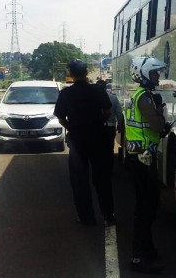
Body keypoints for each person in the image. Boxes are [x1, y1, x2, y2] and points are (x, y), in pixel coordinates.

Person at [53, 59, 115, 226]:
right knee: (102, 178)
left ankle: (86, 217)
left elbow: (60, 118)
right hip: (98, 138)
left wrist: (72, 128)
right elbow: (108, 112)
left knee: (80, 181)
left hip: (78, 141)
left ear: (71, 75)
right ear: (86, 73)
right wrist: (97, 123)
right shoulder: (98, 90)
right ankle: (108, 215)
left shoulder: (65, 94)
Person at [125, 56, 171, 274]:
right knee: (145, 209)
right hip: (142, 159)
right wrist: (161, 112)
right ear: (144, 74)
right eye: (154, 73)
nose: (157, 76)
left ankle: (148, 249)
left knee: (150, 206)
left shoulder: (142, 95)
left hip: (142, 157)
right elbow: (156, 124)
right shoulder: (144, 97)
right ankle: (137, 257)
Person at [96, 79, 124, 174]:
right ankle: (109, 168)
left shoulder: (93, 99)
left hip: (98, 128)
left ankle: (99, 168)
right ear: (105, 87)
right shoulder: (113, 98)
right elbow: (119, 113)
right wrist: (120, 125)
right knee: (109, 148)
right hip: (110, 127)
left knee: (98, 148)